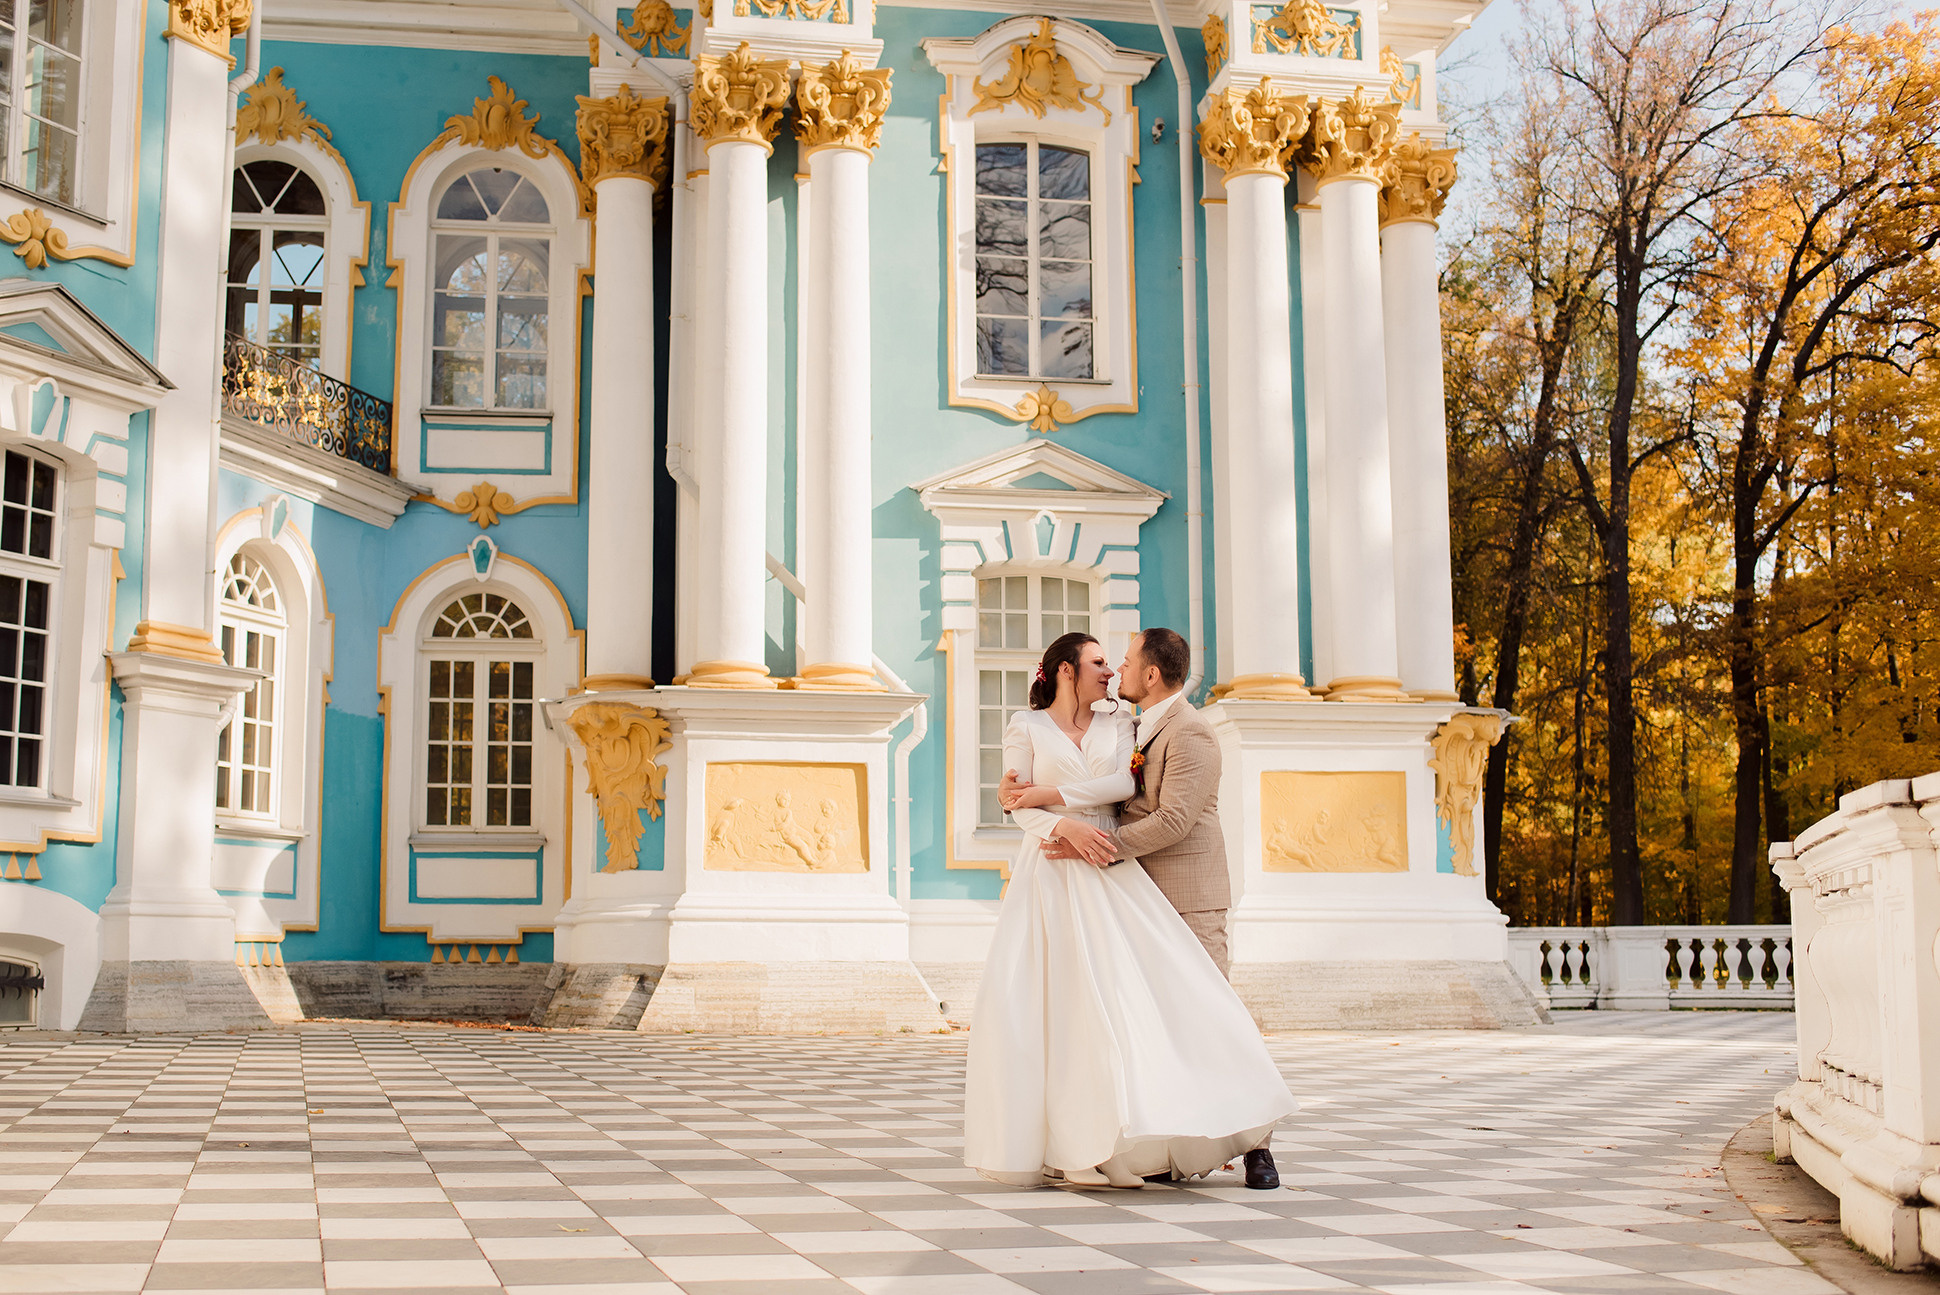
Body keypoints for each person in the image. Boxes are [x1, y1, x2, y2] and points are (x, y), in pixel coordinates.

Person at [961, 631, 1297, 1190]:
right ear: (1066, 671)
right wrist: (1022, 801)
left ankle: (1257, 1144)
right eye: (1102, 662)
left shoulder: (1186, 731)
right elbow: (1026, 793)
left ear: (1151, 675)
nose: (1115, 671)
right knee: (1128, 1019)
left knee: (1212, 1014)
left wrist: (1066, 815)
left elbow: (1168, 817)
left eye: (1122, 661)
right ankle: (1155, 1145)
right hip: (1117, 883)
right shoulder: (1132, 723)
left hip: (1176, 889)